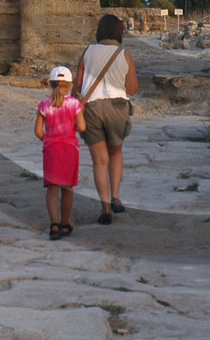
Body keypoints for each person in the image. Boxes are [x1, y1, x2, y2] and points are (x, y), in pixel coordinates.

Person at [72, 13, 139, 225]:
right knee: (115, 151)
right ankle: (116, 196)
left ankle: (105, 209)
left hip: (92, 109)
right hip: (117, 108)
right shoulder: (124, 54)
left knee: (99, 161)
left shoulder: (88, 51)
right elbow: (132, 89)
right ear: (119, 32)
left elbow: (77, 86)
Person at [34, 65, 86, 241]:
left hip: (51, 149)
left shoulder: (44, 104)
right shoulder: (74, 104)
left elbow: (38, 131)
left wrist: (48, 139)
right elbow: (82, 127)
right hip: (69, 149)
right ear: (69, 85)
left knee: (52, 189)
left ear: (50, 83)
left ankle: (54, 224)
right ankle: (65, 223)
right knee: (67, 188)